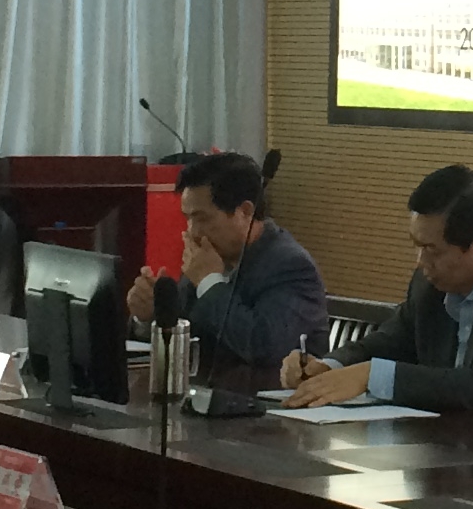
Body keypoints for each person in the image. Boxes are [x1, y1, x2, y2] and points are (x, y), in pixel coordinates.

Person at [276, 164, 473, 434]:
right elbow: (393, 340)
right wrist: (328, 367)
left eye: (432, 249)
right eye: (417, 246)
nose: (420, 262)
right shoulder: (431, 280)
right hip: (457, 447)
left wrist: (369, 376)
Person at [124, 151, 325, 376]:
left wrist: (209, 282)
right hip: (203, 389)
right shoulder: (208, 256)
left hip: (263, 395)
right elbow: (185, 333)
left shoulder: (290, 266)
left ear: (245, 212)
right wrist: (150, 315)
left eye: (202, 219)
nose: (193, 232)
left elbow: (263, 348)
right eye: (188, 219)